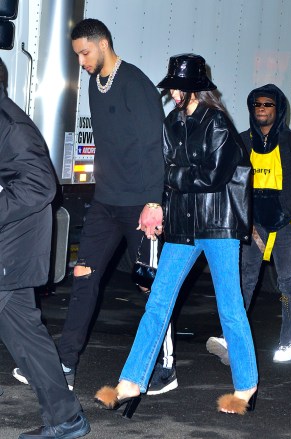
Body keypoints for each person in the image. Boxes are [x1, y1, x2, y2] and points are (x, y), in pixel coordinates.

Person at [12, 18, 177, 396]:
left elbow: (154, 147)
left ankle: (165, 366)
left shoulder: (135, 84)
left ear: (103, 44)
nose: (82, 61)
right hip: (106, 201)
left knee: (152, 287)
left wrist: (155, 202)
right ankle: (65, 363)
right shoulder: (93, 84)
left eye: (85, 53)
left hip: (139, 205)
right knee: (84, 279)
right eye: (77, 55)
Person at [94, 53, 258, 417]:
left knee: (230, 309)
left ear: (195, 88)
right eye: (171, 86)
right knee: (157, 303)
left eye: (177, 86)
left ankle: (246, 387)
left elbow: (212, 177)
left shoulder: (217, 124)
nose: (172, 92)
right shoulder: (172, 122)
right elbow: (162, 168)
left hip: (218, 226)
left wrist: (171, 177)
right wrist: (158, 205)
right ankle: (131, 381)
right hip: (183, 227)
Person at [0, 58, 90, 439]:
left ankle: (67, 418)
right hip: (9, 249)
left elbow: (41, 185)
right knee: (26, 335)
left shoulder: (11, 125)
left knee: (26, 335)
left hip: (11, 250)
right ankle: (66, 418)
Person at [206, 84, 291, 364]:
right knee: (245, 279)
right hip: (254, 225)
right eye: (257, 105)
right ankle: (232, 340)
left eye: (267, 105)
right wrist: (245, 217)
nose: (262, 109)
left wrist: (283, 208)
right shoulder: (242, 141)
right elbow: (230, 182)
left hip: (284, 223)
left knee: (287, 281)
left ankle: (288, 341)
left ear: (278, 110)